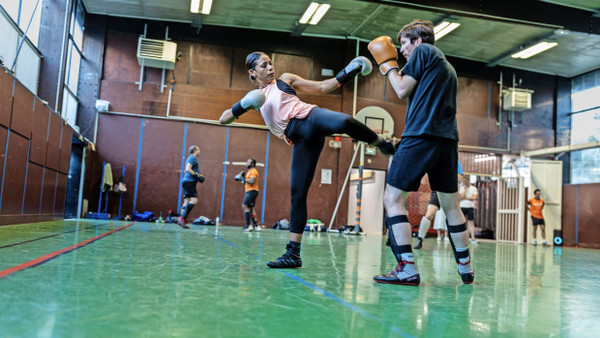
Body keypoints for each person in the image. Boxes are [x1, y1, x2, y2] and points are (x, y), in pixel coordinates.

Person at [220, 51, 396, 268]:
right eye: (264, 66)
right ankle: (293, 254)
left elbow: (323, 87)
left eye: (270, 64)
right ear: (252, 72)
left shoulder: (285, 80)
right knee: (297, 195)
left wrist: (349, 72)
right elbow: (223, 119)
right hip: (299, 140)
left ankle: (380, 143)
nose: (270, 68)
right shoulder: (254, 99)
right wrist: (243, 105)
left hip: (310, 119)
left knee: (345, 121)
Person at [368, 19, 474, 285]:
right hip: (447, 141)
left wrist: (387, 65)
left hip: (420, 137)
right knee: (451, 205)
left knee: (392, 199)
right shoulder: (447, 67)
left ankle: (406, 268)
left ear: (419, 41)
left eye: (404, 43)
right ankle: (465, 268)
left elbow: (401, 88)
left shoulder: (426, 52)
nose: (401, 50)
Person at [414, 162, 463, 249]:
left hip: (449, 192)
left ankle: (456, 242)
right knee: (429, 214)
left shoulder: (455, 162)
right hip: (437, 191)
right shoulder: (435, 159)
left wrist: (447, 174)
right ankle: (420, 239)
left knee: (452, 217)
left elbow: (460, 178)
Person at [178, 145, 204, 229]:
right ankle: (182, 218)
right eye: (199, 149)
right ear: (195, 150)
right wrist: (197, 175)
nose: (199, 151)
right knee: (194, 200)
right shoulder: (192, 158)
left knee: (186, 201)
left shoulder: (190, 158)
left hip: (186, 182)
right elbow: (188, 169)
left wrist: (199, 175)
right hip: (189, 182)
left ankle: (180, 219)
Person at [235, 158, 261, 232]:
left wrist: (242, 178)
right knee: (251, 208)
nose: (246, 163)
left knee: (245, 206)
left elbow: (252, 181)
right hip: (251, 191)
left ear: (252, 164)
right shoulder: (249, 171)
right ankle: (256, 225)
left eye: (248, 162)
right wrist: (241, 179)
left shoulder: (253, 171)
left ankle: (248, 225)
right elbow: (247, 182)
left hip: (252, 191)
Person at [459, 175, 479, 244]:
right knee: (462, 222)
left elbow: (474, 197)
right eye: (463, 181)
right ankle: (461, 237)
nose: (464, 182)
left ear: (468, 180)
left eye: (465, 181)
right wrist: (465, 190)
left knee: (471, 223)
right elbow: (461, 197)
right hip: (462, 206)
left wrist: (465, 198)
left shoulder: (474, 188)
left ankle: (473, 238)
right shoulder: (462, 188)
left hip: (470, 207)